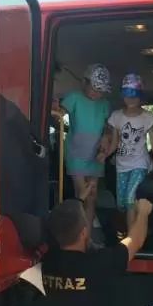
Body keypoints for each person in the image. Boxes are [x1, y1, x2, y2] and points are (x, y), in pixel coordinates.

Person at [58, 64, 112, 241]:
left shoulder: (104, 104)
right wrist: (55, 108)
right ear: (84, 82)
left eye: (101, 91)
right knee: (82, 193)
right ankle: (78, 237)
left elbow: (108, 127)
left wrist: (106, 139)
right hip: (76, 153)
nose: (97, 93)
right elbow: (58, 114)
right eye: (94, 89)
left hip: (97, 155)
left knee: (92, 197)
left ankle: (87, 237)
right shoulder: (73, 97)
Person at [103, 73, 153, 232]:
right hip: (121, 166)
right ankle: (135, 231)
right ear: (122, 96)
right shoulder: (116, 116)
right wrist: (104, 155)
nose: (130, 99)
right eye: (127, 95)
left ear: (140, 97)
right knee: (121, 203)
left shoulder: (147, 117)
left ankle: (131, 238)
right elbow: (115, 143)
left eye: (134, 96)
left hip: (139, 164)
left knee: (130, 200)